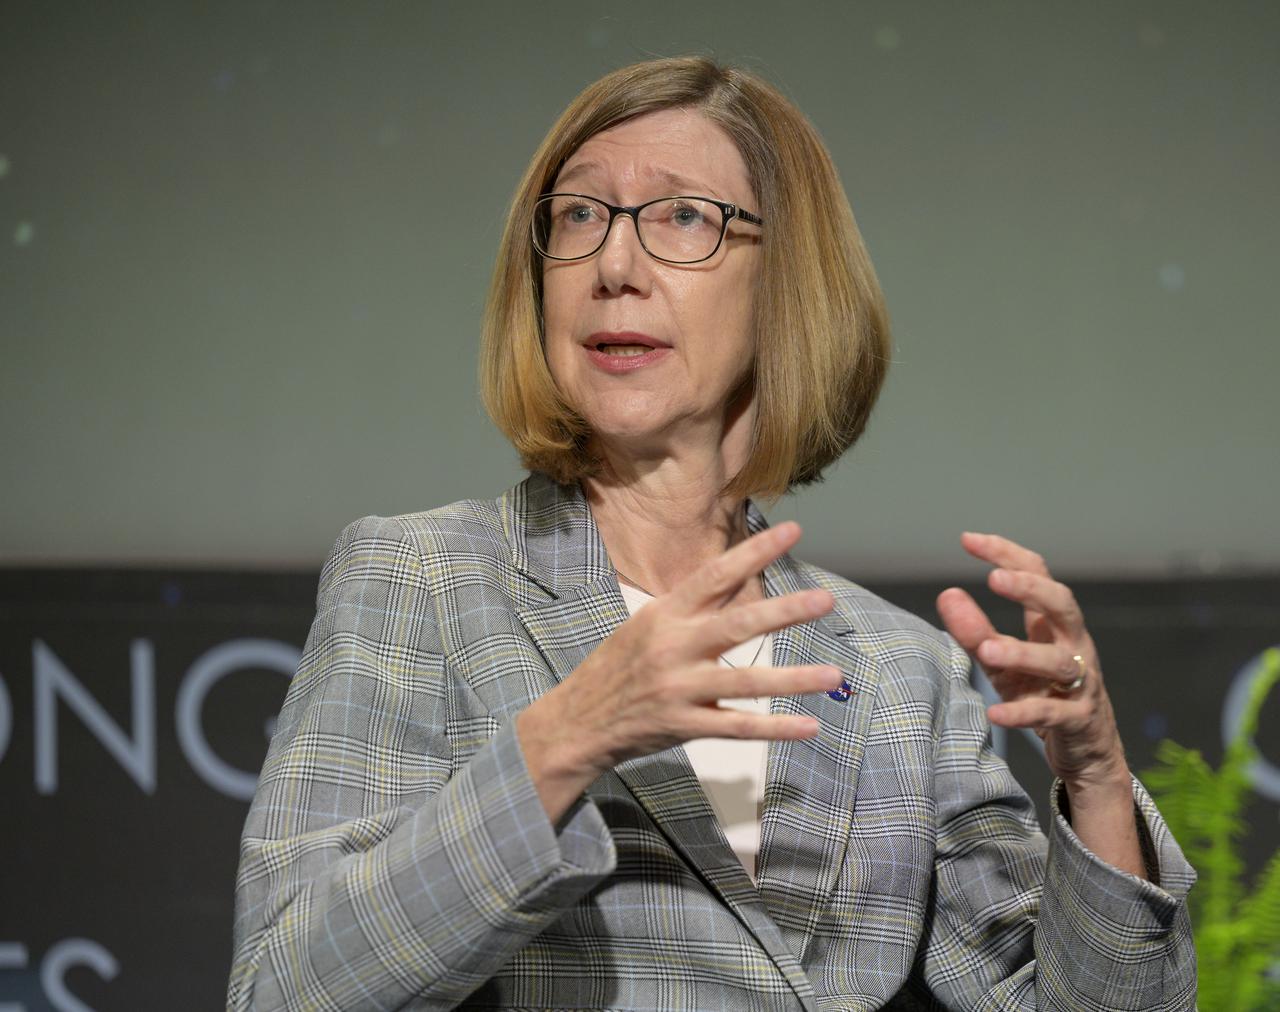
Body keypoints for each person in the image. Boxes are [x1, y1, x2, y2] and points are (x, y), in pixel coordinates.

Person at [226, 57, 1195, 1011]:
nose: (612, 267)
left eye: (682, 216)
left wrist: (1098, 778)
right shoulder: (421, 578)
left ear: (786, 282)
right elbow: (285, 987)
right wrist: (570, 732)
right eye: (578, 216)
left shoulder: (902, 671)